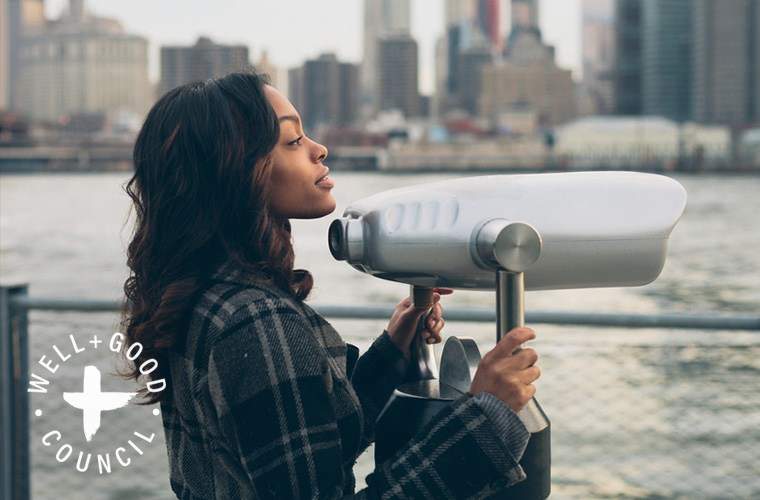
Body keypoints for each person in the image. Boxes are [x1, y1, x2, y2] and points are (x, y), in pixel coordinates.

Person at [120, 71, 541, 499]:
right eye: (293, 141)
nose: (319, 149)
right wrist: (488, 418)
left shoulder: (205, 298)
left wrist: (393, 352)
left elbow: (303, 442)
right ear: (236, 170)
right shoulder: (258, 321)